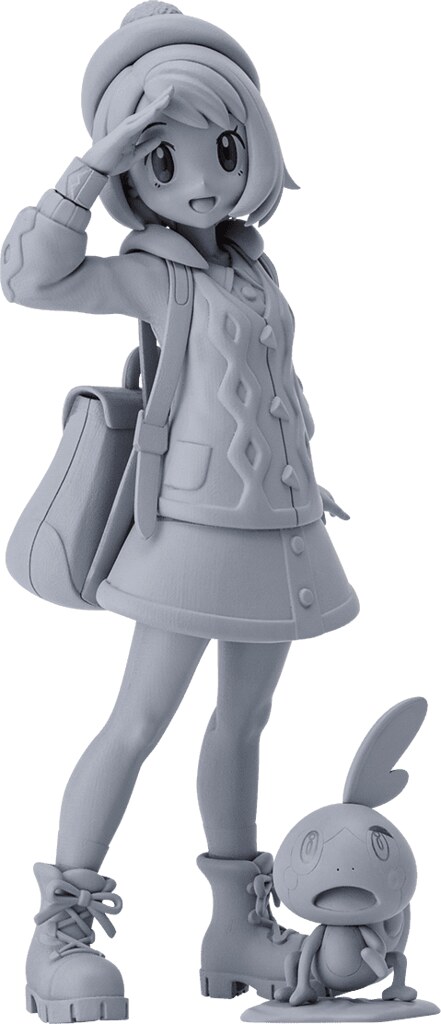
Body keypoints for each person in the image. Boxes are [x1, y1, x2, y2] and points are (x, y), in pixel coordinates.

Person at [1, 3, 359, 1021]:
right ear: (134, 170)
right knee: (138, 720)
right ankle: (58, 929)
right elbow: (29, 279)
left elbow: (270, 388)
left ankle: (233, 925)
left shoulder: (251, 263)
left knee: (245, 719)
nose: (201, 180)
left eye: (223, 150)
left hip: (275, 524)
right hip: (192, 532)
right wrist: (92, 164)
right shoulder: (155, 273)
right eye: (164, 159)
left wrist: (298, 479)